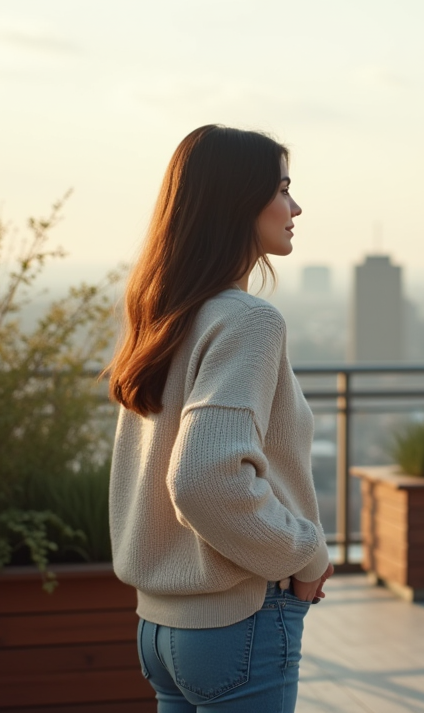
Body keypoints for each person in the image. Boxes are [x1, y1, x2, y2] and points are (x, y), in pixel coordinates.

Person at [107, 124, 333, 712]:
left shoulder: (165, 316)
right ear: (238, 202)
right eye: (282, 190)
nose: (295, 207)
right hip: (241, 618)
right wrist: (304, 551)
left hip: (162, 630)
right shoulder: (247, 321)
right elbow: (204, 479)